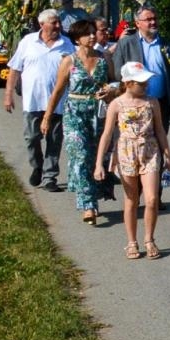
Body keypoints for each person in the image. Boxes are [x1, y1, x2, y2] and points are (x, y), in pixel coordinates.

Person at [96, 62, 170, 260]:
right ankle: (132, 242)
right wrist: (99, 163)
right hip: (126, 152)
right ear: (128, 83)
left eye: (146, 81)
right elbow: (106, 134)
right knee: (131, 199)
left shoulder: (152, 102)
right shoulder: (117, 104)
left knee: (152, 199)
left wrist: (168, 155)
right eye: (141, 82)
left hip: (150, 151)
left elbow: (160, 131)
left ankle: (149, 239)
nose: (146, 85)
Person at [41, 19, 116, 224]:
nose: (92, 36)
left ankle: (94, 196)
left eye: (93, 32)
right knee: (81, 156)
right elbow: (57, 90)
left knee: (96, 158)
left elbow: (115, 82)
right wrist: (47, 117)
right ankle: (88, 205)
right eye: (87, 33)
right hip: (74, 113)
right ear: (77, 38)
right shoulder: (69, 61)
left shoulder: (104, 58)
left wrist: (110, 90)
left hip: (99, 114)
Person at [5, 8, 75, 192]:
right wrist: (8, 95)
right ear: (42, 24)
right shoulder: (28, 42)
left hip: (59, 103)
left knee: (54, 139)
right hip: (32, 101)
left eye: (59, 22)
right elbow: (14, 69)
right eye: (54, 22)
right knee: (32, 138)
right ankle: (37, 165)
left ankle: (49, 176)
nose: (59, 26)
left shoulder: (66, 44)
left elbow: (76, 70)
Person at [112, 5, 170, 129]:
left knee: (160, 142)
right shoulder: (126, 44)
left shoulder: (169, 46)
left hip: (161, 103)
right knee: (137, 141)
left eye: (155, 19)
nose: (153, 22)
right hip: (134, 103)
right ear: (137, 23)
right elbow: (118, 73)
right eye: (148, 20)